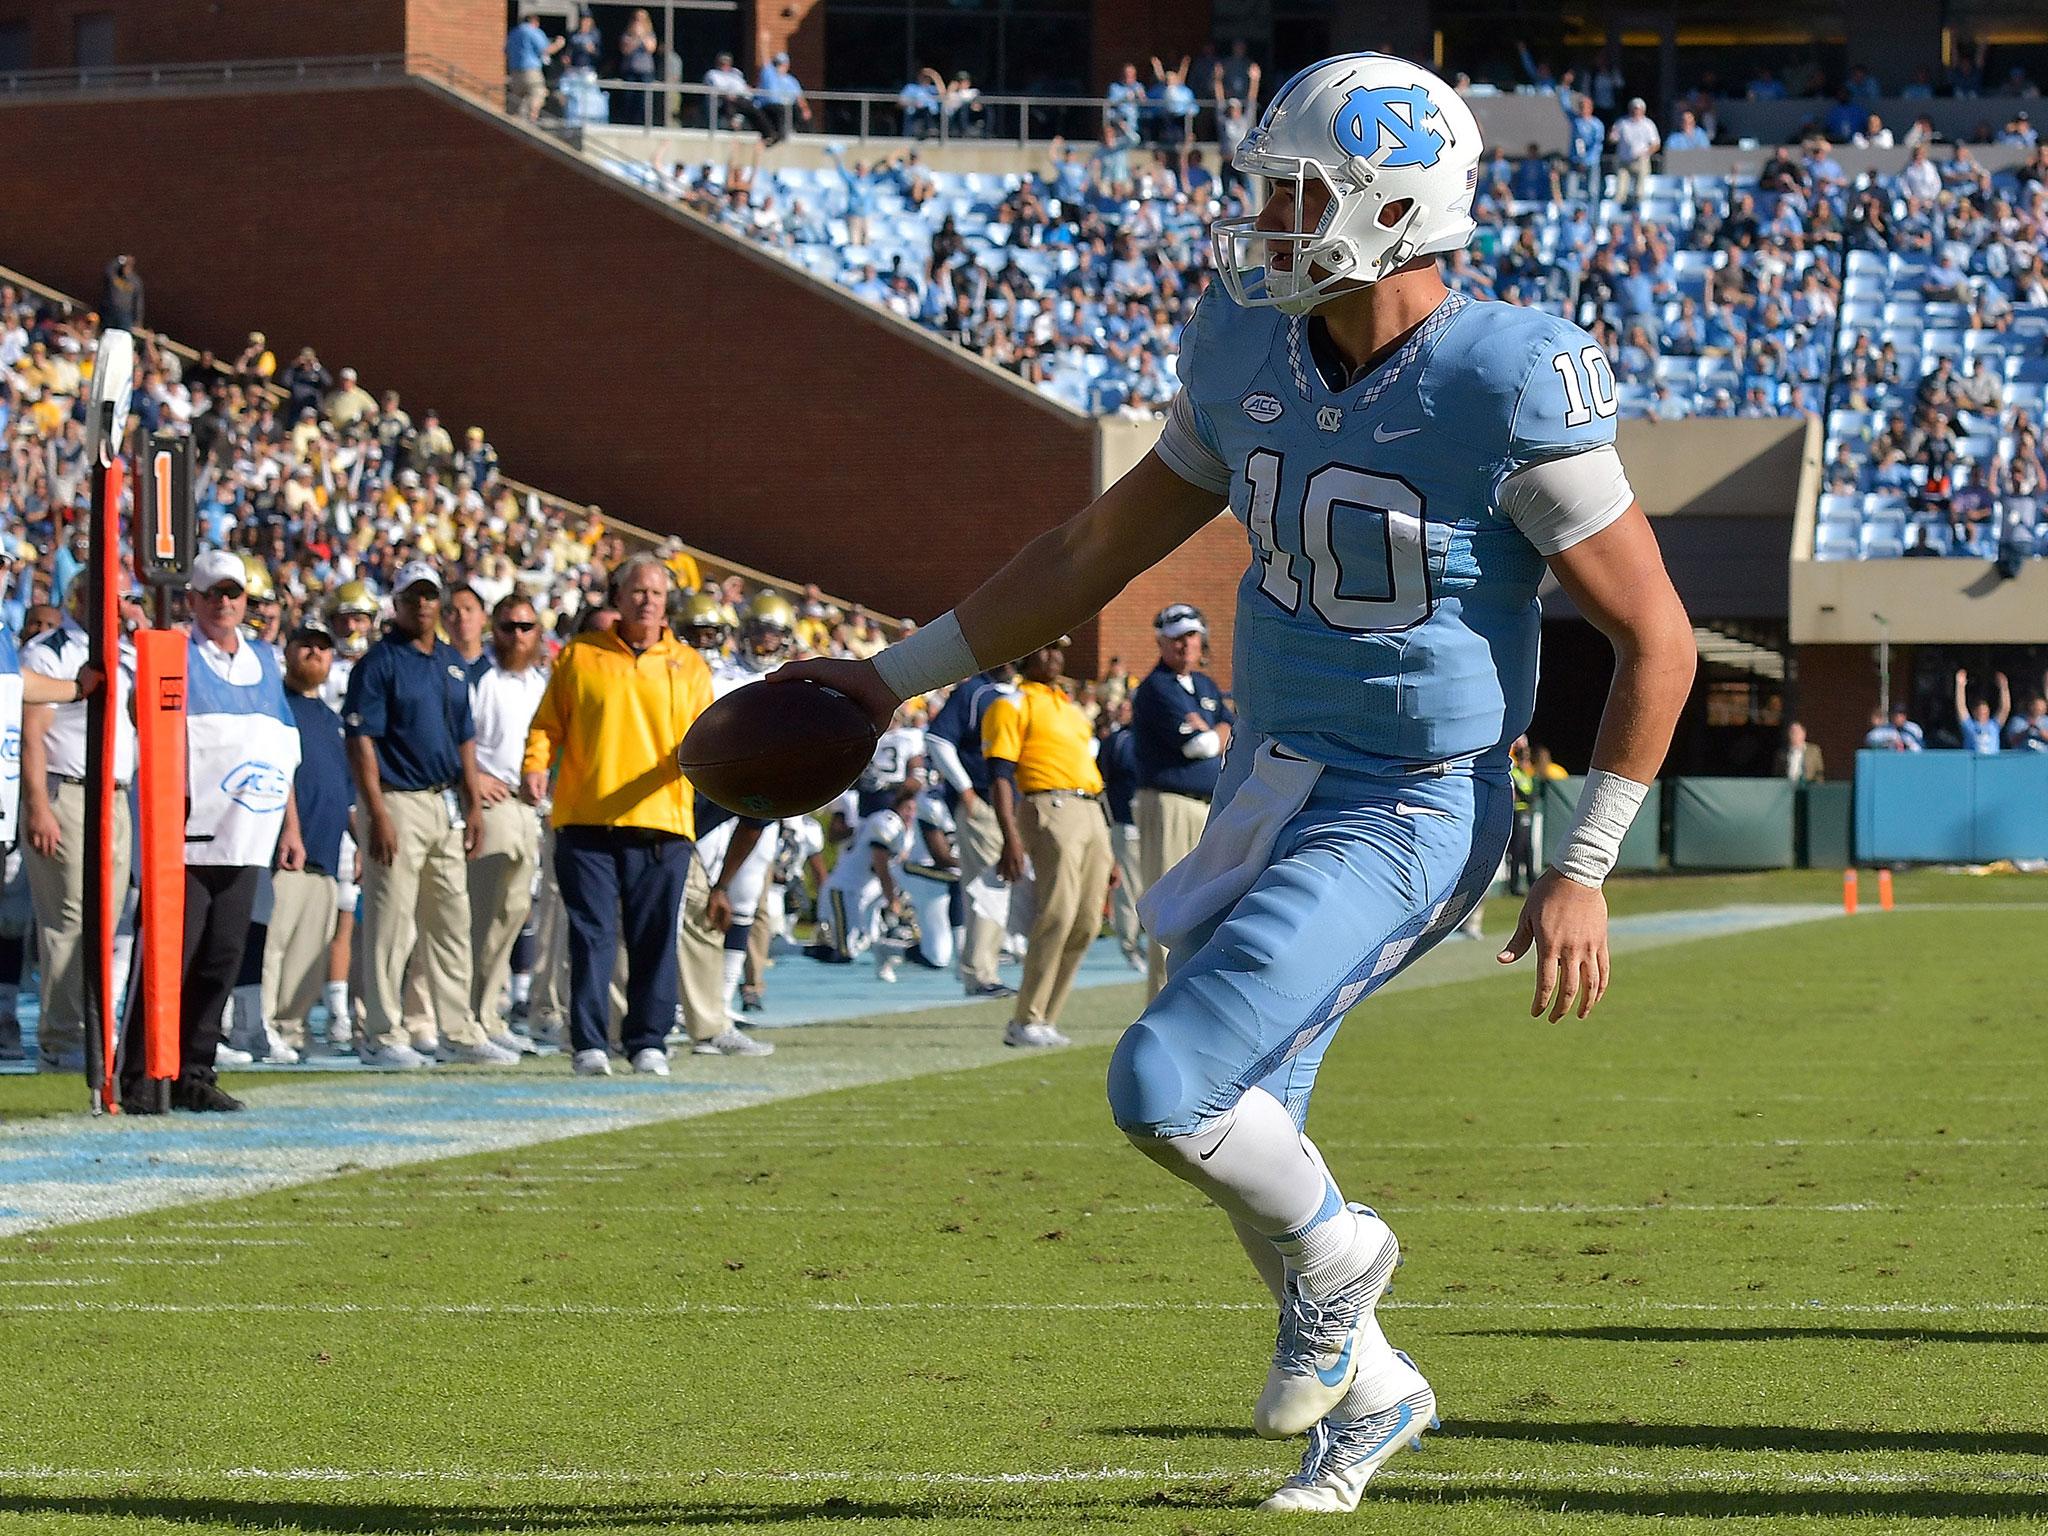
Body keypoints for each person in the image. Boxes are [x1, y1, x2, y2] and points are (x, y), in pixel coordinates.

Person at [773, 52, 1694, 1513]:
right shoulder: (1246, 343)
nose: (1264, 221)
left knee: (1166, 1082)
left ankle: (1341, 1268)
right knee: (1247, 1113)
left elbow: (1655, 633)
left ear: (1391, 210)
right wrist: (891, 677)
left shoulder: (1506, 371)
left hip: (1413, 801)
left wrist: (1583, 863)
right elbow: (1094, 551)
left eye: (1296, 195)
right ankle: (1379, 1391)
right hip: (1276, 776)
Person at [522, 554, 722, 1076]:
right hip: (586, 818)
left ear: (668, 602)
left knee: (654, 938)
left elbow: (707, 742)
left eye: (656, 593)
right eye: (637, 591)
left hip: (664, 821)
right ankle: (588, 1042)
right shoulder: (579, 656)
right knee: (591, 937)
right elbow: (546, 725)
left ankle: (647, 1040)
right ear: (617, 595)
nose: (647, 601)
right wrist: (535, 765)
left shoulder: (691, 666)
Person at [123, 549, 306, 1113]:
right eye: (213, 594)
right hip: (185, 834)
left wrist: (289, 828)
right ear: (193, 600)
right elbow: (140, 712)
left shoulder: (264, 660)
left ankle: (194, 1071)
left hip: (246, 835)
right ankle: (139, 1074)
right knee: (167, 957)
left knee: (222, 957)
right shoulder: (174, 653)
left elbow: (281, 749)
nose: (224, 604)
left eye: (234, 594)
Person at [344, 561, 515, 1068]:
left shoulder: (451, 662)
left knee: (451, 919)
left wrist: (471, 804)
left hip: (445, 804)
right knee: (391, 921)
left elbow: (465, 736)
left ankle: (459, 1030)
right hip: (397, 798)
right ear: (396, 603)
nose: (422, 605)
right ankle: (383, 1032)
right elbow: (360, 741)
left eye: (429, 595)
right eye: (412, 596)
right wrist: (377, 812)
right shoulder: (377, 664)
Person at [980, 637, 1114, 1049]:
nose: (1054, 655)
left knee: (1089, 920)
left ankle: (1046, 1017)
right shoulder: (1013, 703)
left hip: (1090, 806)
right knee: (1058, 912)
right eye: (1045, 648)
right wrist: (1010, 835)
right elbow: (1000, 774)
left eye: (1059, 649)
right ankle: (1026, 1017)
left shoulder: (1070, 707)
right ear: (1026, 654)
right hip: (1049, 803)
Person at [21, 583, 133, 1072]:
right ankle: (62, 1038)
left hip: (116, 794)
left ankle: (92, 1026)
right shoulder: (50, 652)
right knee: (69, 918)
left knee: (105, 922)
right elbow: (31, 734)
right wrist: (38, 804)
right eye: (107, 595)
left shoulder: (129, 651)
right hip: (67, 790)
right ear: (79, 600)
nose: (118, 606)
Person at [1129, 603, 1232, 997]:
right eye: (1175, 638)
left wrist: (1217, 729)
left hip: (1206, 802)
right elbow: (1200, 746)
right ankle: (1160, 999)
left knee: (1201, 904)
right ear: (1161, 642)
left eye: (1190, 636)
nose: (1185, 645)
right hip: (1168, 801)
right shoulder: (1156, 688)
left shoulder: (1204, 685)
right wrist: (1216, 731)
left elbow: (1229, 730)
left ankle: (1189, 995)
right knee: (1170, 903)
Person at [263, 617, 353, 1058]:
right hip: (284, 852)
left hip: (327, 851)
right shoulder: (275, 704)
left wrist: (360, 840)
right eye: (305, 646)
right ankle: (258, 1025)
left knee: (310, 953)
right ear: (289, 650)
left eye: (323, 647)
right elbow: (276, 775)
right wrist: (288, 829)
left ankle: (292, 1027)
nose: (315, 654)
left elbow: (345, 788)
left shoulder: (332, 719)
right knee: (272, 945)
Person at [467, 595, 549, 1054]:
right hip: (492, 803)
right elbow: (458, 736)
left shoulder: (541, 683)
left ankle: (488, 1013)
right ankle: (467, 1015)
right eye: (508, 627)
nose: (517, 635)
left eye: (525, 627)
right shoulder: (480, 677)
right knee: (479, 916)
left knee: (513, 916)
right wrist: (474, 779)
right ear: (493, 630)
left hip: (529, 806)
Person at [924, 663, 1018, 999]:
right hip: (983, 801)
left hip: (1014, 804)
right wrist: (965, 790)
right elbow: (937, 737)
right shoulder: (974, 691)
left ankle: (986, 965)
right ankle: (980, 973)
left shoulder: (1023, 693)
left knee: (1001, 886)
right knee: (990, 883)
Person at [504, 10, 563, 121]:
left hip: (515, 72)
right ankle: (532, 118)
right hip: (531, 70)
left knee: (516, 100)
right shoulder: (533, 31)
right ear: (535, 22)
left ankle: (513, 121)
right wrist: (558, 44)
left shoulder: (514, 33)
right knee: (538, 93)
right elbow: (546, 50)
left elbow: (506, 50)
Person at [1608, 98, 1661, 202]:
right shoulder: (1621, 123)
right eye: (1634, 108)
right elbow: (1612, 139)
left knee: (1640, 191)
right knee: (1620, 190)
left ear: (1643, 110)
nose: (1635, 111)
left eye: (1638, 109)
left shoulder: (1648, 124)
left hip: (1640, 161)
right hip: (1624, 161)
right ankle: (1618, 210)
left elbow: (1656, 144)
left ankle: (1638, 208)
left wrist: (1645, 153)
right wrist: (1611, 135)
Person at [1955, 669, 2009, 754]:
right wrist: (1960, 686)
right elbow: (1961, 707)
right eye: (1979, 712)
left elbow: (2005, 708)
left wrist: (2004, 687)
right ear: (1974, 712)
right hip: (1974, 764)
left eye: (1985, 712)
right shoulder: (1969, 726)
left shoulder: (1994, 725)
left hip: (1992, 763)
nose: (1982, 714)